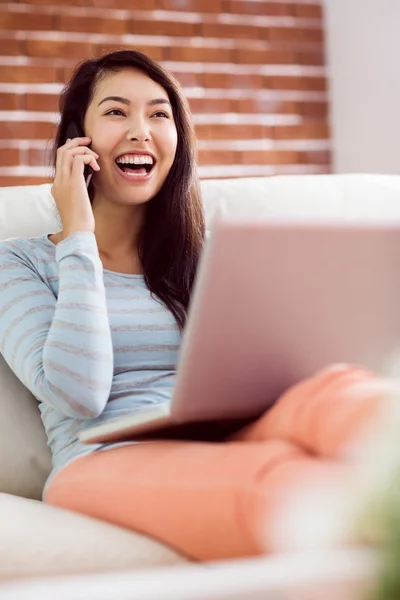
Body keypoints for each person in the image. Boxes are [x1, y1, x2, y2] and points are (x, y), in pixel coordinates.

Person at [0, 50, 388, 561]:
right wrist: (78, 238)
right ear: (78, 139)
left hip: (217, 432)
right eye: (117, 112)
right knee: (286, 485)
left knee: (343, 395)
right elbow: (79, 393)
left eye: (159, 114)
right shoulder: (22, 262)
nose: (141, 130)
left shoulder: (202, 256)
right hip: (102, 459)